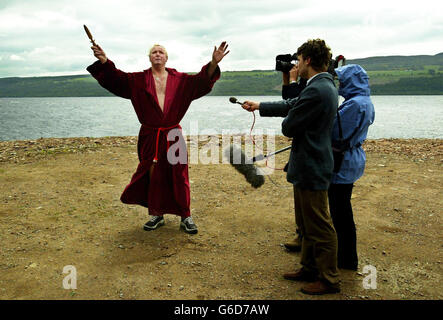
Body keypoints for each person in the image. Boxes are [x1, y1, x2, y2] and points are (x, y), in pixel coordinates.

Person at [87, 42, 229, 234]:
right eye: (154, 52)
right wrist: (104, 61)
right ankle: (157, 214)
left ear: (166, 57)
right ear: (149, 57)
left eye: (161, 52)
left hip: (173, 135)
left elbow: (202, 81)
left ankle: (186, 216)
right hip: (150, 135)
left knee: (179, 175)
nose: (157, 54)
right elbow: (116, 79)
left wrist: (213, 62)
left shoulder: (180, 80)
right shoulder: (138, 80)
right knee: (153, 174)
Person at [242, 39, 340, 295]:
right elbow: (291, 105)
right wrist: (260, 106)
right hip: (309, 163)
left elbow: (289, 125)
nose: (296, 64)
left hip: (313, 164)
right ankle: (308, 268)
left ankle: (329, 279)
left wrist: (288, 120)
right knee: (306, 222)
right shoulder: (321, 85)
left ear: (307, 60)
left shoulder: (317, 90)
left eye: (299, 59)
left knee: (319, 224)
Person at [329, 64, 375, 270]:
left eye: (342, 80)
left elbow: (337, 134)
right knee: (342, 209)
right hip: (351, 158)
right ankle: (346, 257)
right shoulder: (363, 101)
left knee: (340, 211)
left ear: (351, 81)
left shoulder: (354, 105)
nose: (339, 84)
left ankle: (346, 259)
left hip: (343, 161)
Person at [281, 63, 306, 252]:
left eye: (299, 60)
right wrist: (287, 79)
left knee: (311, 203)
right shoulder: (314, 85)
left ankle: (305, 237)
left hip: (310, 157)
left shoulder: (316, 87)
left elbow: (294, 106)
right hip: (303, 154)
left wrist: (293, 80)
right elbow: (288, 102)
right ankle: (302, 234)